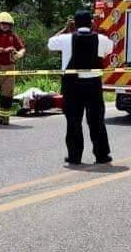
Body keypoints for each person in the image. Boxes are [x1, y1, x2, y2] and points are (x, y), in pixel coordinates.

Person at [48, 10, 114, 165]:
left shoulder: (66, 38)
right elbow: (109, 50)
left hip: (72, 86)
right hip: (93, 85)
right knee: (97, 121)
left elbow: (50, 43)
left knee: (73, 122)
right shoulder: (101, 39)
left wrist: (65, 29)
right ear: (91, 23)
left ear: (74, 24)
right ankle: (101, 155)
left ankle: (74, 156)